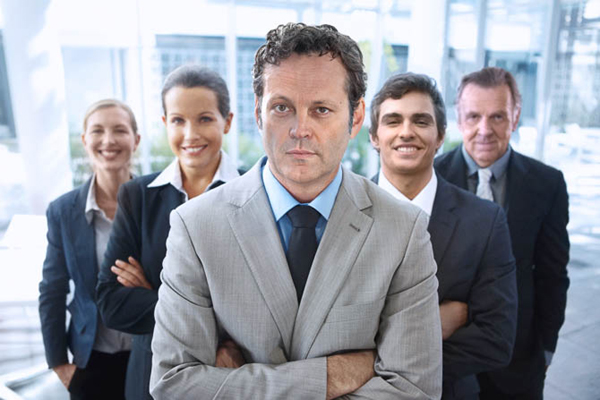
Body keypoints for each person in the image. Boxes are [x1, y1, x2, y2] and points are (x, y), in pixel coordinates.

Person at [150, 22, 442, 399]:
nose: (299, 129)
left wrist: (237, 384)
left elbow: (414, 390)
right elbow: (174, 385)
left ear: (355, 118)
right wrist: (333, 375)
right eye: (282, 107)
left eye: (321, 109)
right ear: (258, 113)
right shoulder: (196, 226)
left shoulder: (403, 231)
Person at [369, 72, 518, 399]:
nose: (406, 132)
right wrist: (433, 323)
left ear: (440, 136)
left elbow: (496, 340)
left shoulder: (485, 221)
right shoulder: (339, 211)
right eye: (393, 121)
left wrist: (371, 362)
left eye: (421, 121)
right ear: (374, 136)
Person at [96, 65, 240, 400]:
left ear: (227, 121)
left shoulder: (255, 194)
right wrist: (214, 326)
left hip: (230, 375)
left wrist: (155, 292)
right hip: (153, 377)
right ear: (165, 124)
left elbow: (263, 309)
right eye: (178, 120)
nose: (190, 134)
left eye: (204, 118)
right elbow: (112, 302)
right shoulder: (138, 196)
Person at [435, 66, 570, 399]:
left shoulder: (547, 184)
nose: (484, 130)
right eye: (473, 116)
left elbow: (552, 275)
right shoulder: (430, 178)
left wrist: (546, 349)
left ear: (516, 116)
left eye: (497, 117)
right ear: (458, 117)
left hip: (518, 358)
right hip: (444, 356)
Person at [39, 99, 140, 399]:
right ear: (85, 141)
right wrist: (58, 362)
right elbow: (52, 290)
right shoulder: (63, 212)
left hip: (151, 355)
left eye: (119, 130)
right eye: (97, 131)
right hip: (91, 361)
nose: (108, 140)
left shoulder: (157, 202)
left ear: (136, 139)